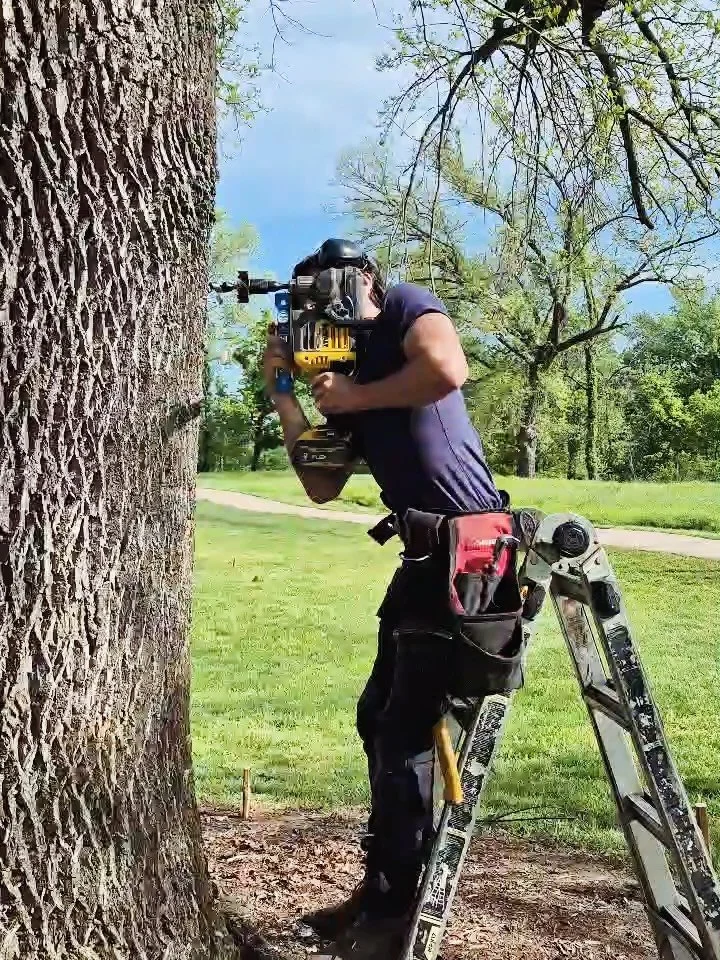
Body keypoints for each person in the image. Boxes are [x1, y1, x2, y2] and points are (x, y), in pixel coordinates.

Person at [262, 239, 504, 960]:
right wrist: (289, 394)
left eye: (323, 289)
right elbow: (320, 483)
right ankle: (384, 892)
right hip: (423, 557)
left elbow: (446, 368)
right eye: (302, 297)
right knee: (379, 723)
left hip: (470, 555)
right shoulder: (350, 376)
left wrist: (356, 396)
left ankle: (393, 921)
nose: (313, 306)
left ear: (364, 280)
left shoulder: (405, 307)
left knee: (405, 739)